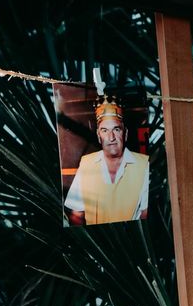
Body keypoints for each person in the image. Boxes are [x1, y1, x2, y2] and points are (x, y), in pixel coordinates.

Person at [64, 95, 149, 226]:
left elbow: (145, 213)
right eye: (105, 130)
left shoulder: (143, 164)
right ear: (99, 136)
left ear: (125, 134)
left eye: (116, 129)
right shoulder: (86, 163)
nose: (111, 137)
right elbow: (77, 215)